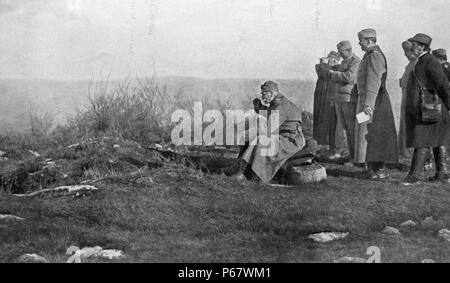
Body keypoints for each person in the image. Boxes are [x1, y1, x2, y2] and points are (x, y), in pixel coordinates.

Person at [223, 81, 306, 184]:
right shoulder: (278, 102)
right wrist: (261, 108)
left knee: (259, 140)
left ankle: (243, 173)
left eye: (263, 93)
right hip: (282, 135)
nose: (262, 96)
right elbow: (272, 116)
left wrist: (248, 134)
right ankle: (238, 167)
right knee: (254, 138)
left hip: (290, 140)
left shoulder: (281, 106)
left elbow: (268, 130)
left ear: (271, 93)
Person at [402, 34, 450, 185]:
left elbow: (443, 85)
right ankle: (442, 174)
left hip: (430, 110)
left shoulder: (430, 61)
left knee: (422, 141)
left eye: (414, 44)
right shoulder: (423, 60)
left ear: (422, 46)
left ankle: (413, 177)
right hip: (427, 109)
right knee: (436, 140)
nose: (412, 47)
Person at [354, 28, 398, 179]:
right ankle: (370, 167)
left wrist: (368, 105)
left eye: (360, 40)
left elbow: (374, 82)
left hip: (374, 102)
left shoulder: (375, 56)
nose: (359, 43)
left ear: (369, 40)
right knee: (365, 133)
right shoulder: (369, 55)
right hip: (367, 100)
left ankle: (378, 169)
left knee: (374, 134)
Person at [327, 41, 361, 163]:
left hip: (348, 98)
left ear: (349, 50)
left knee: (351, 128)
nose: (340, 55)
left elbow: (350, 78)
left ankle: (356, 157)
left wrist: (332, 73)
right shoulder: (346, 61)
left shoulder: (355, 61)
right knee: (346, 128)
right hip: (340, 98)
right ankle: (351, 155)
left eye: (342, 52)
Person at [313, 51, 347, 159]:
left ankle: (336, 149)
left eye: (332, 60)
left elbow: (329, 74)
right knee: (323, 124)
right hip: (323, 101)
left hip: (333, 100)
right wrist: (323, 63)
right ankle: (326, 147)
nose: (330, 62)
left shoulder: (338, 69)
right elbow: (321, 72)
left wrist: (325, 64)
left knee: (335, 125)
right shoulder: (324, 69)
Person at [398, 41, 418, 159]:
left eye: (407, 51)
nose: (405, 54)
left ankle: (412, 157)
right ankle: (407, 155)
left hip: (413, 101)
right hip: (406, 100)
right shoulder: (410, 64)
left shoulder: (417, 63)